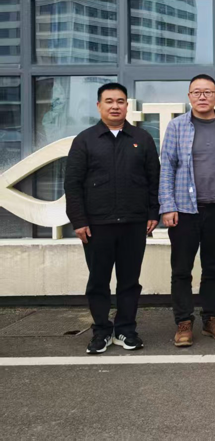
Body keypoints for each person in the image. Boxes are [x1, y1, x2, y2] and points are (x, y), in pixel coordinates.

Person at [64, 82, 160, 354]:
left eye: (120, 101)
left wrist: (153, 213)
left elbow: (154, 179)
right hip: (97, 225)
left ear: (127, 106)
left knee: (130, 281)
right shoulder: (85, 140)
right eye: (109, 101)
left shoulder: (142, 138)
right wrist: (79, 220)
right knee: (98, 281)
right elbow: (72, 184)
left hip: (134, 223)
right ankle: (101, 332)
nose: (115, 106)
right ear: (99, 106)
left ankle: (126, 330)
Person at [159, 74, 215, 347]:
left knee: (213, 268)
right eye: (196, 92)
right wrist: (167, 205)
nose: (202, 96)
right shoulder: (177, 126)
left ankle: (211, 319)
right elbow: (167, 167)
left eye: (207, 92)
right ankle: (183, 321)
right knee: (181, 269)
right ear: (189, 96)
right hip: (184, 210)